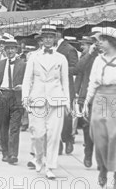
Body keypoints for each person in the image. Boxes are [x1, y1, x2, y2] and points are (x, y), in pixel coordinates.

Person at [82, 29, 116, 189]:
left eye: (102, 40)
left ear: (112, 42)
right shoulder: (98, 60)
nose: (100, 43)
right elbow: (92, 82)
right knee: (100, 136)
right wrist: (86, 102)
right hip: (101, 98)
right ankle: (103, 168)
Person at [22, 24, 70, 180]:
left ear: (54, 39)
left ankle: (50, 166)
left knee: (54, 135)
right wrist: (25, 97)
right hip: (37, 99)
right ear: (41, 40)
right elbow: (27, 79)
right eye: (45, 38)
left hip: (56, 100)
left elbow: (65, 81)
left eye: (51, 37)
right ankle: (38, 157)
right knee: (38, 134)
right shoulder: (33, 57)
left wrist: (67, 102)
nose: (48, 40)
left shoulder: (61, 58)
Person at [0, 36, 27, 165]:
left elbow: (29, 80)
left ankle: (13, 154)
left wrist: (23, 87)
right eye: (8, 49)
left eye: (12, 49)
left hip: (17, 97)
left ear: (16, 50)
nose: (10, 51)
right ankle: (5, 152)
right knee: (4, 126)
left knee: (15, 127)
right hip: (2, 96)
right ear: (4, 50)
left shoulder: (23, 64)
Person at [53, 22, 79, 156]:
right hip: (52, 88)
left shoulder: (69, 49)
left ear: (60, 33)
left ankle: (68, 139)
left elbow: (75, 69)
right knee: (53, 116)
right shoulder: (48, 49)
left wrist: (60, 69)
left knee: (66, 116)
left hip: (66, 87)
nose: (52, 36)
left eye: (55, 33)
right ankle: (57, 144)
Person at [74, 34, 100, 168]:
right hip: (87, 95)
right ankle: (88, 154)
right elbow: (79, 69)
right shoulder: (86, 57)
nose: (82, 47)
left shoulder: (103, 57)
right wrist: (89, 53)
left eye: (84, 44)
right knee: (87, 127)